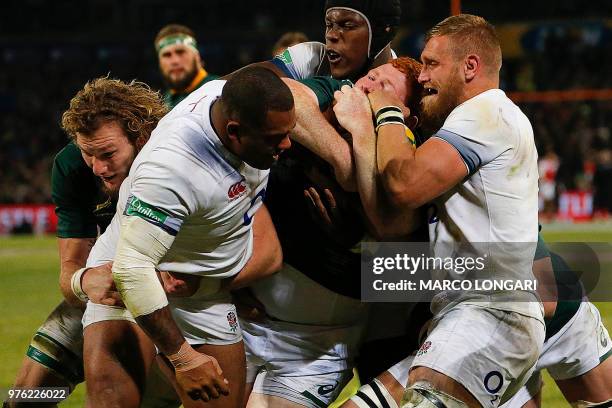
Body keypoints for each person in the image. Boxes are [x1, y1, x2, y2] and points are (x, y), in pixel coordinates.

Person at [333, 14, 545, 407]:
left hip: (490, 314)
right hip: (466, 315)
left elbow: (402, 185)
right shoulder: (483, 119)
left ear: (470, 66)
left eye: (432, 63)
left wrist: (387, 110)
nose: (424, 75)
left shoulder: (484, 112)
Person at [82, 66, 294, 407]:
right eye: (273, 138)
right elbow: (132, 269)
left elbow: (285, 65)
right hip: (133, 283)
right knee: (112, 400)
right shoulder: (172, 169)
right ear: (235, 131)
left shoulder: (228, 97)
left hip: (202, 294)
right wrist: (183, 357)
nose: (286, 144)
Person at [8, 77, 170, 408]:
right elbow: (69, 271)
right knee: (25, 396)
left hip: (172, 293)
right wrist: (84, 281)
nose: (98, 167)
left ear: (141, 137)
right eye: (88, 153)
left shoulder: (172, 159)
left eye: (108, 153)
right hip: (107, 293)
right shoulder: (70, 168)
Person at [155, 24, 219, 109]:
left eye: (180, 52)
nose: (175, 61)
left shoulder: (219, 89)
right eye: (167, 55)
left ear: (197, 57)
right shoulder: (161, 104)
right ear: (159, 63)